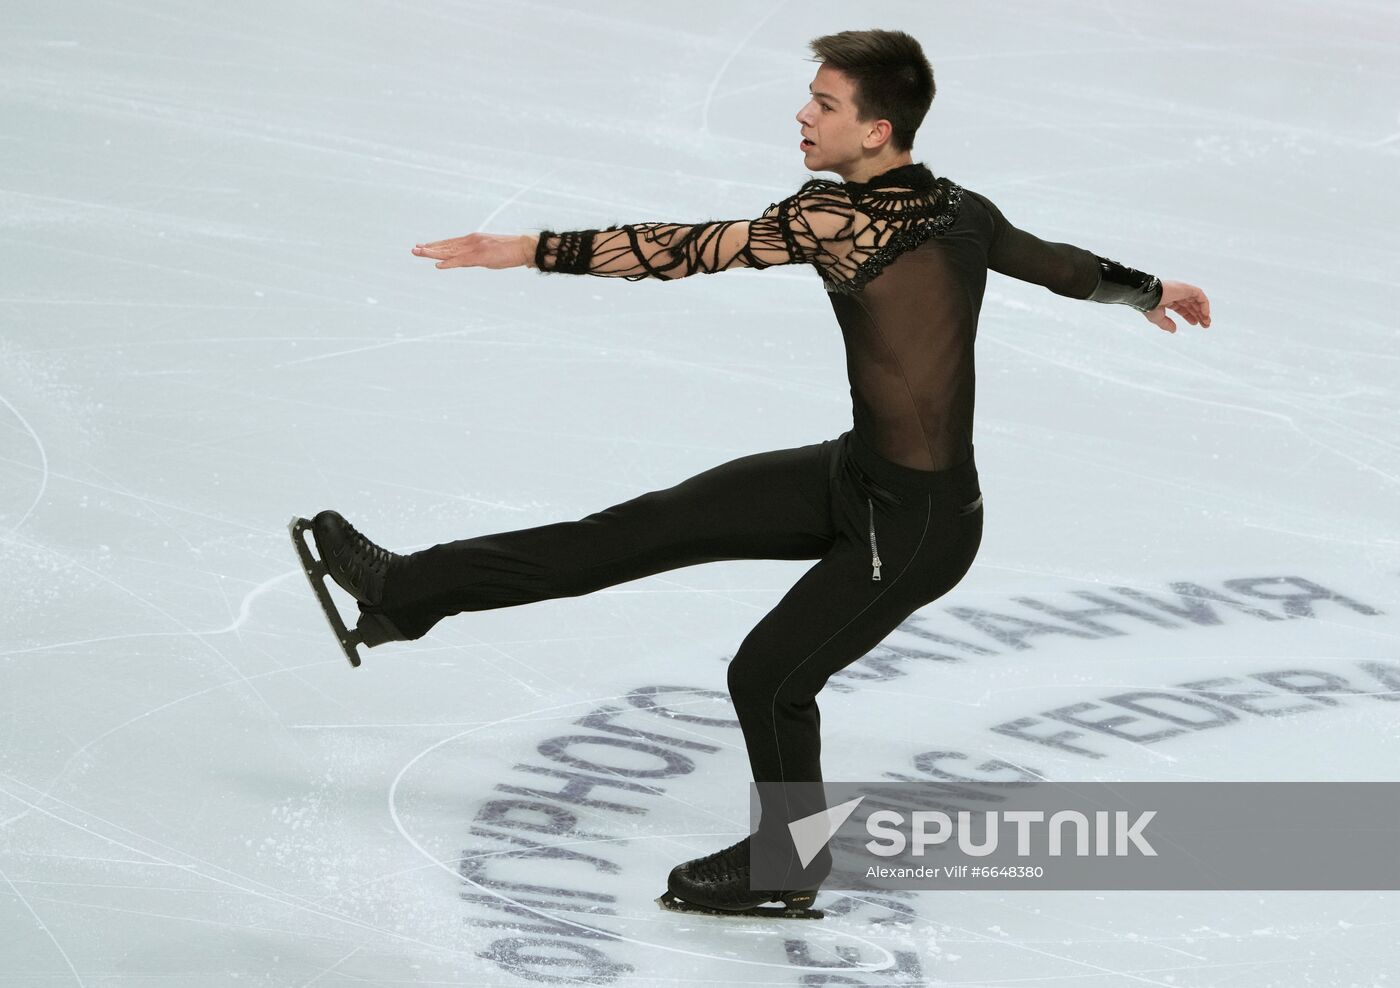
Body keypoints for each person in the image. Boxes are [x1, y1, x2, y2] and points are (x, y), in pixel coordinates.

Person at [292, 28, 1211, 919]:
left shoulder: (842, 218)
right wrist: (1146, 292)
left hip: (920, 527)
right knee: (637, 530)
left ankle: (789, 865)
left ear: (876, 130)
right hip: (855, 477)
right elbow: (1067, 271)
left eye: (824, 103)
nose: (802, 116)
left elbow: (684, 249)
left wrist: (525, 248)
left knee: (769, 677)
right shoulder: (958, 208)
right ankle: (405, 591)